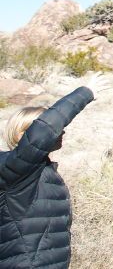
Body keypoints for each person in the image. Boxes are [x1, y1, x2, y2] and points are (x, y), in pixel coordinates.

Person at [0, 86, 95, 269]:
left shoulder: (38, 169)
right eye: (56, 129)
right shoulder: (15, 171)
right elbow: (43, 131)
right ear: (24, 135)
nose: (61, 132)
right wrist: (86, 92)